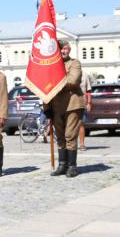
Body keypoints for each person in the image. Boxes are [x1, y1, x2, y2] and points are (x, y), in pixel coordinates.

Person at [44, 40, 85, 178]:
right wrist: (46, 107)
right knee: (60, 136)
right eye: (60, 49)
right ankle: (62, 164)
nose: (63, 51)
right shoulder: (50, 65)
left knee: (70, 135)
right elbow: (44, 87)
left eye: (65, 49)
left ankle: (72, 166)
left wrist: (54, 80)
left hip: (72, 104)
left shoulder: (74, 63)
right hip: (56, 105)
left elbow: (73, 80)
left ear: (69, 50)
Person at [78, 70, 92, 150]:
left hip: (82, 103)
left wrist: (89, 103)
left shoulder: (84, 75)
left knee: (81, 123)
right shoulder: (67, 72)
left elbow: (88, 90)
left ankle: (82, 144)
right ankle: (69, 144)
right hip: (69, 103)